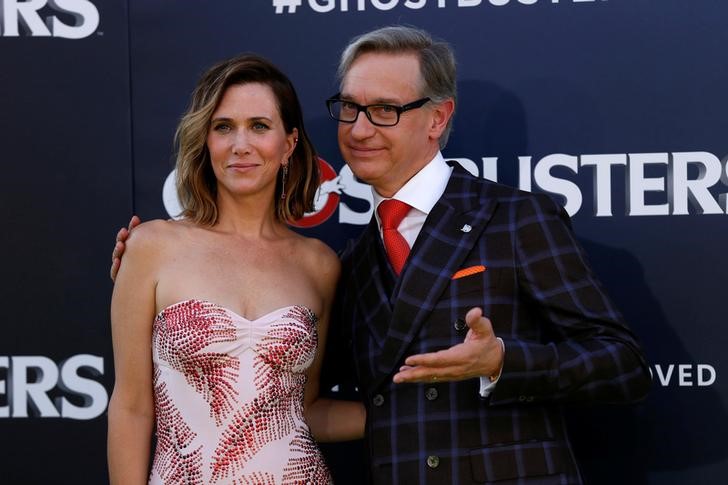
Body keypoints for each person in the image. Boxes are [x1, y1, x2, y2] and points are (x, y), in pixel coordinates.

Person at [113, 27, 652, 484]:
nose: (360, 129)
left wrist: (504, 362)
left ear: (438, 118)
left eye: (386, 110)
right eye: (350, 109)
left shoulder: (514, 217)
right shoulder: (351, 262)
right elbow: (316, 404)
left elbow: (623, 365)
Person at [107, 53, 364, 485]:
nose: (240, 144)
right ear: (205, 141)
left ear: (289, 144)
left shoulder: (318, 264)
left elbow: (307, 409)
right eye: (223, 127)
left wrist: (410, 414)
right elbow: (132, 407)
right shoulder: (152, 247)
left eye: (259, 126)